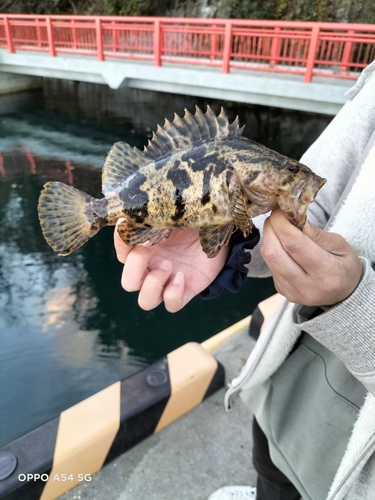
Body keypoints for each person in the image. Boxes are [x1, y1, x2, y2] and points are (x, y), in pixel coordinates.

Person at [114, 61, 375, 500]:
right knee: (270, 463)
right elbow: (324, 205)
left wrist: (355, 308)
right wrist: (240, 244)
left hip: (353, 473)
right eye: (290, 172)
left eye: (292, 174)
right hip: (283, 381)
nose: (304, 180)